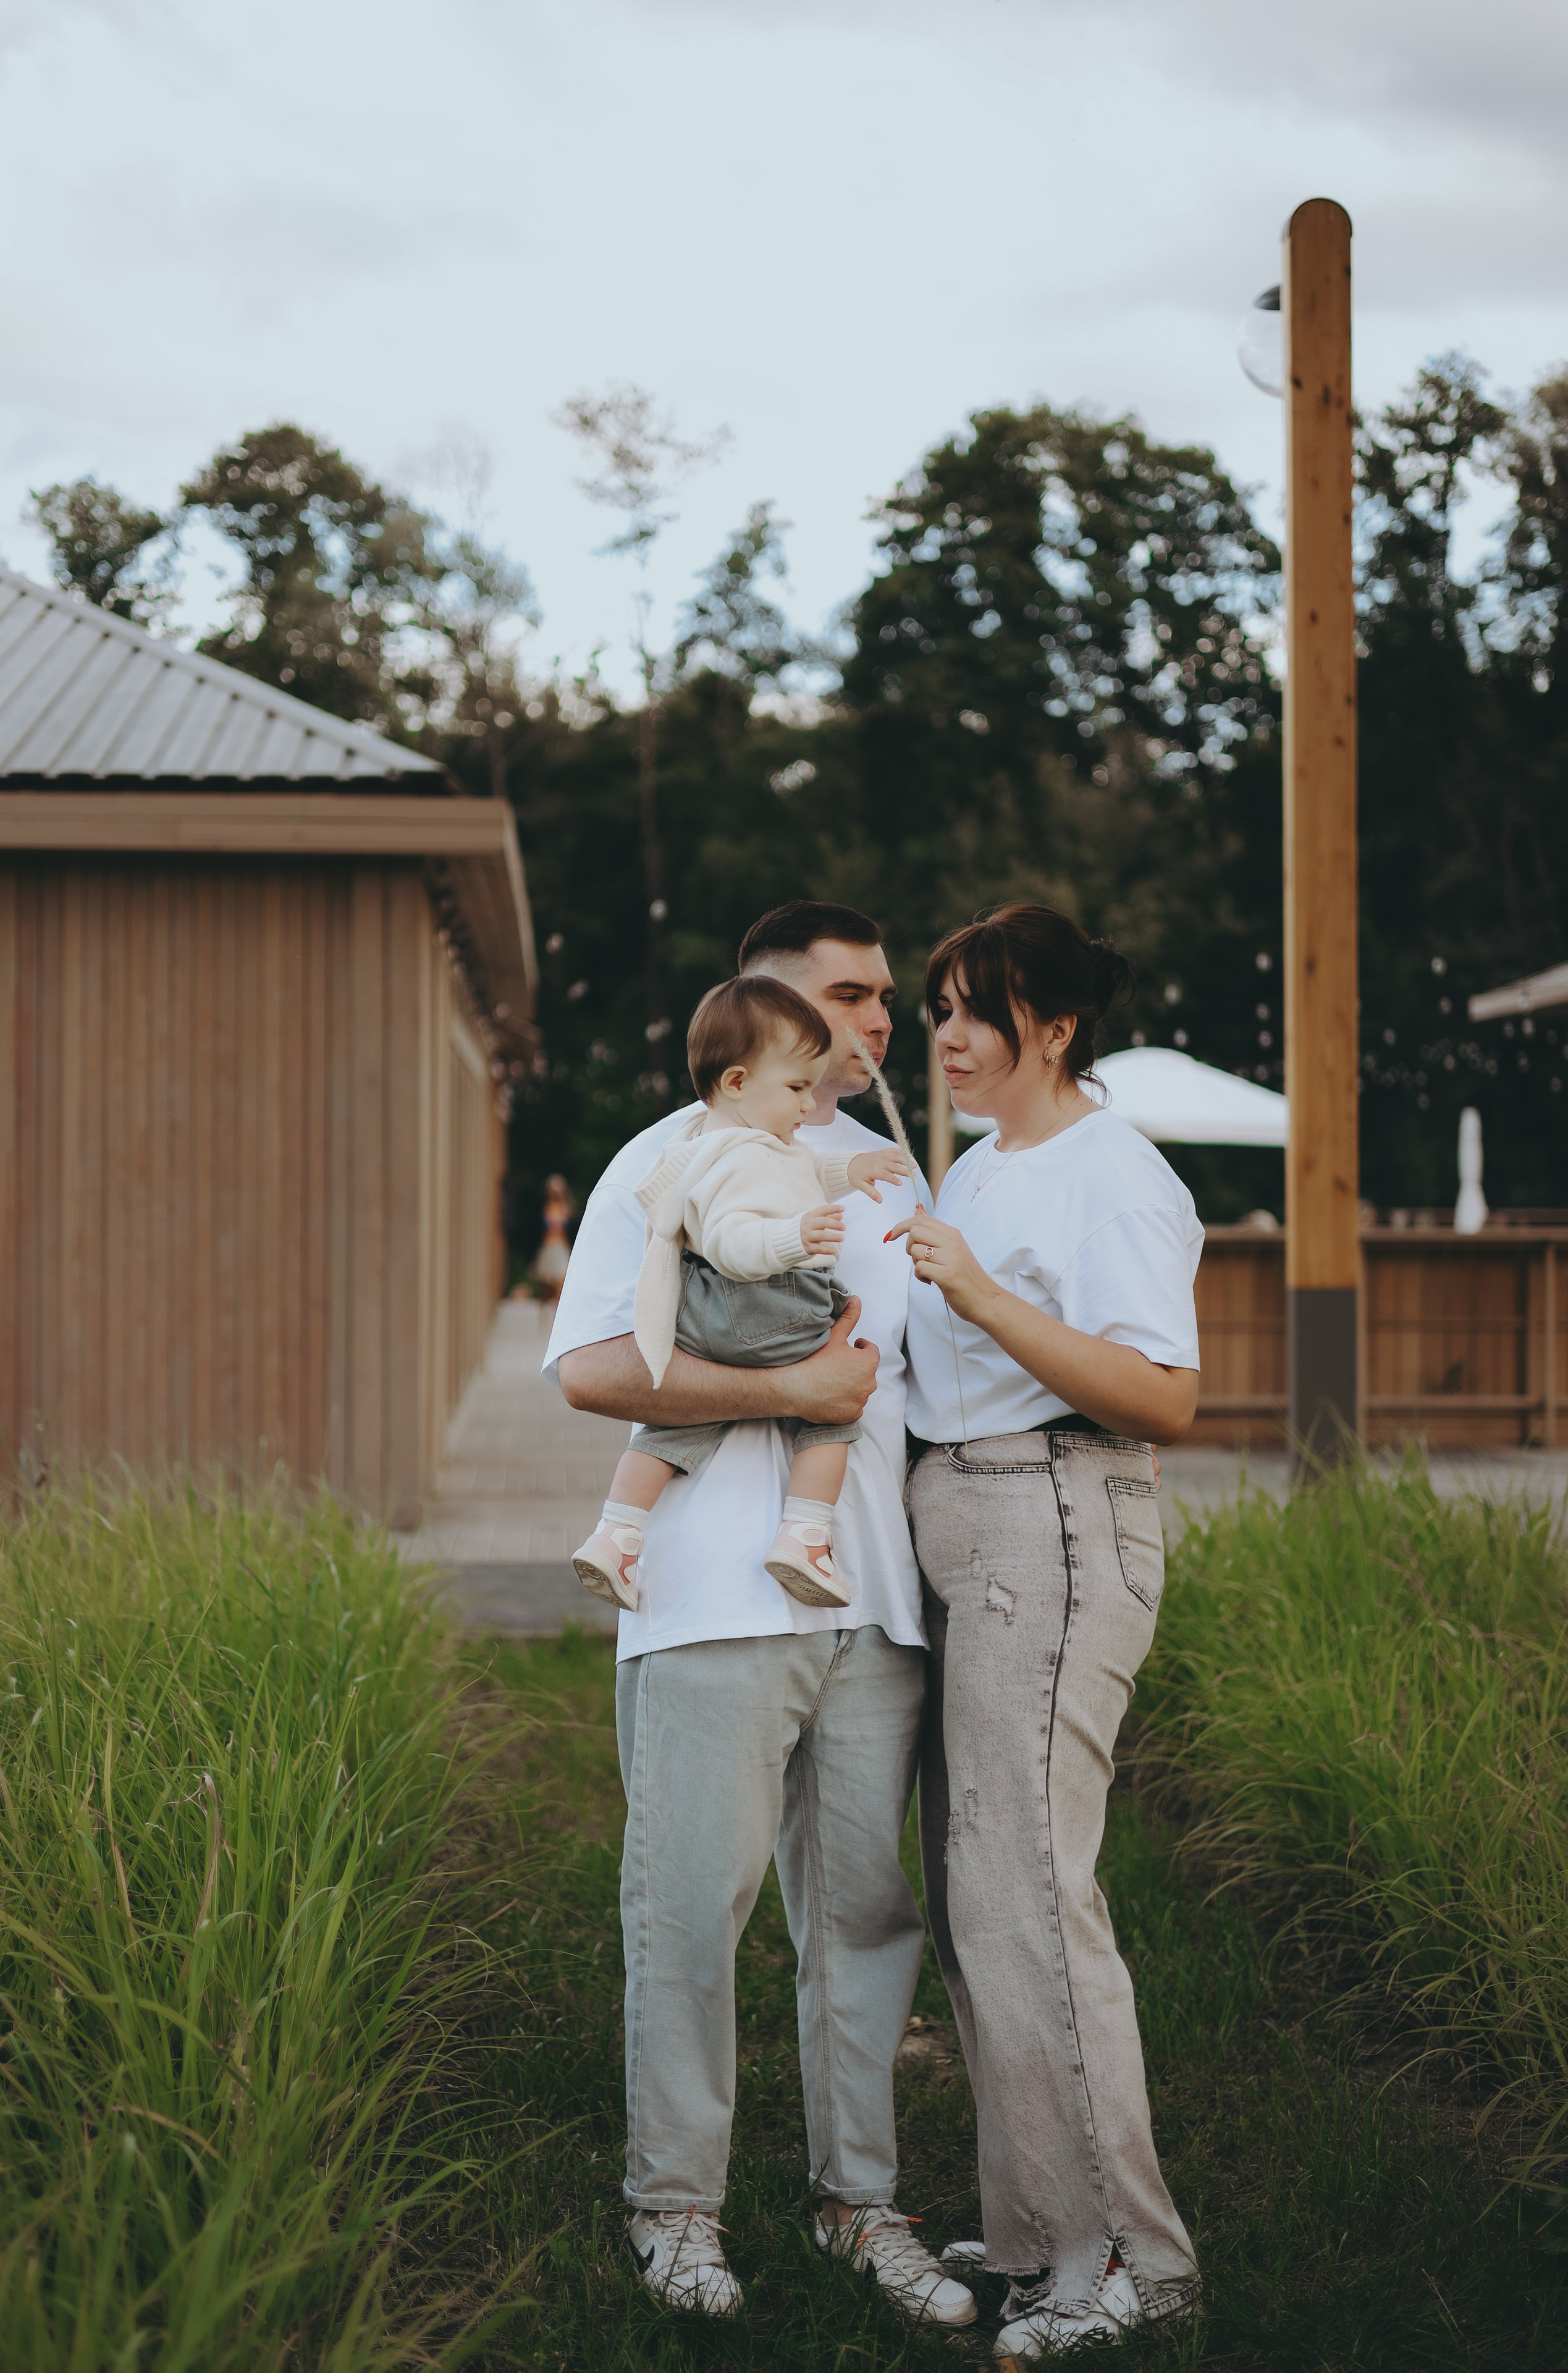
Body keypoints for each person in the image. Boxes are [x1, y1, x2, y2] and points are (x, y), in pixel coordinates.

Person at [544, 901, 976, 2330]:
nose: (878, 1020)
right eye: (848, 995)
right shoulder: (666, 1159)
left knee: (862, 1915)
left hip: (871, 1607)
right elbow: (597, 1368)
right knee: (691, 1914)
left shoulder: (895, 1174)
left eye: (880, 998)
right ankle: (676, 2210)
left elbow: (917, 1388)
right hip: (707, 1604)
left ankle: (861, 2203)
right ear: (762, 1008)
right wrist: (787, 1397)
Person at [894, 901, 1204, 2362]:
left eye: (973, 1008)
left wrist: (977, 1292)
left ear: (1055, 1026)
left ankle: (1132, 2259)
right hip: (968, 1517)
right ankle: (1033, 2223)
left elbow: (1160, 1393)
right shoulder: (991, 1159)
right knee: (980, 1893)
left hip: (1060, 1521)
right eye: (938, 1006)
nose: (942, 1033)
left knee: (1031, 1887)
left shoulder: (1112, 1171)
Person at [570, 975, 911, 1613]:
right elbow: (730, 1240)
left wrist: (851, 1170)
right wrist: (794, 1237)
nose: (808, 1107)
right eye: (795, 1088)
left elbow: (805, 1169)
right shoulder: (738, 1157)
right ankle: (805, 1535)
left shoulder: (724, 1143)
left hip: (705, 1323)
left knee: (676, 1427)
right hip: (764, 1303)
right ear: (734, 1083)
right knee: (834, 1409)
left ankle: (617, 1534)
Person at [530, 1173, 577, 1299]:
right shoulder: (546, 1209)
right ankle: (545, 1314)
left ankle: (557, 1314)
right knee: (545, 1286)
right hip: (548, 1247)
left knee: (561, 1283)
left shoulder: (566, 1209)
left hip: (561, 1247)